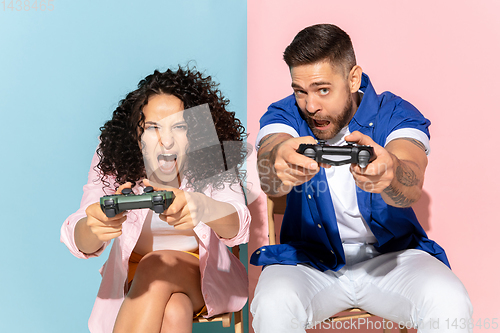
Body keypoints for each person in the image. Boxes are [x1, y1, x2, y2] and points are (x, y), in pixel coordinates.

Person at [250, 24, 472, 332]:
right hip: (310, 262)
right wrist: (277, 163)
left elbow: (411, 180)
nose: (311, 106)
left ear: (353, 79)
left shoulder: (393, 113)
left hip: (392, 258)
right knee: (272, 303)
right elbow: (269, 164)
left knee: (449, 299)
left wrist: (391, 172)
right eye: (300, 91)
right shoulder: (285, 114)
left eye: (323, 89)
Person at [61, 66, 250, 333]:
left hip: (201, 273)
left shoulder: (211, 157)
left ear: (195, 134)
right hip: (133, 276)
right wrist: (94, 227)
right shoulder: (114, 160)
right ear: (136, 135)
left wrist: (202, 206)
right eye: (152, 127)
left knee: (156, 263)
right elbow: (80, 233)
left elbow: (239, 226)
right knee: (175, 310)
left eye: (180, 126)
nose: (167, 141)